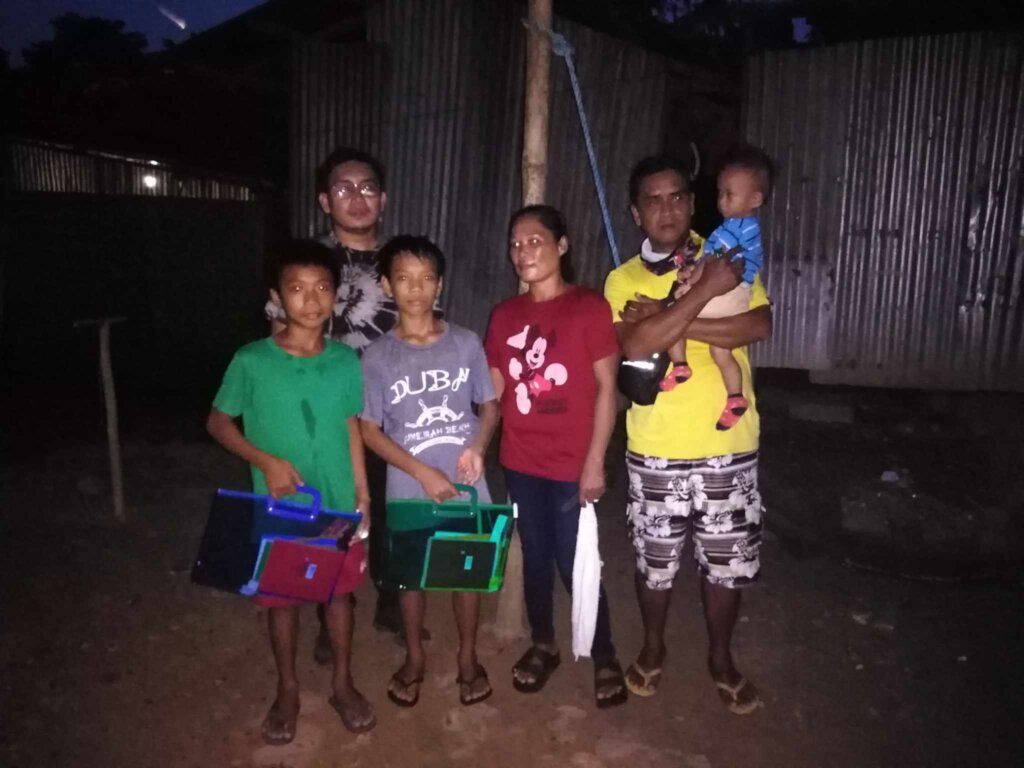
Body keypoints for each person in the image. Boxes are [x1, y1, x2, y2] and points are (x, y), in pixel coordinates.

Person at [604, 156, 773, 715]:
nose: (667, 209)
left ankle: (721, 658)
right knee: (654, 564)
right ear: (636, 212)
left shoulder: (728, 254)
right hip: (656, 447)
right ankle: (653, 648)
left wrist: (669, 315)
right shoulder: (621, 279)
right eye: (652, 200)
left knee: (727, 566)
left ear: (693, 203)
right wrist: (703, 296)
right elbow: (634, 343)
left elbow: (757, 324)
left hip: (728, 445)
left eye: (677, 196)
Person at [207, 240, 376, 743]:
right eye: (297, 289)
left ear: (336, 295)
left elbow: (350, 426)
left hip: (337, 501)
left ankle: (342, 684)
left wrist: (363, 493)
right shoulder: (252, 360)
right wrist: (266, 462)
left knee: (340, 595)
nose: (311, 299)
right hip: (280, 504)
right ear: (276, 297)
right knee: (283, 599)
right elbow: (218, 422)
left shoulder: (344, 360)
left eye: (322, 287)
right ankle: (287, 689)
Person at [266, 147, 413, 658]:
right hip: (327, 418)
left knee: (392, 511)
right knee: (330, 513)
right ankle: (330, 608)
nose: (357, 198)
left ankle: (391, 601)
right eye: (344, 189)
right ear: (325, 200)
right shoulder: (306, 263)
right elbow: (278, 343)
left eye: (367, 188)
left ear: (383, 199)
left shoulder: (405, 261)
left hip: (394, 412)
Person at [485, 205, 628, 709]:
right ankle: (544, 644)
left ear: (561, 246)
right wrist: (470, 439)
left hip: (572, 464)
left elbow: (608, 389)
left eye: (534, 241)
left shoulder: (589, 307)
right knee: (535, 556)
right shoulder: (504, 316)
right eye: (515, 243)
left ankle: (604, 651)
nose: (522, 251)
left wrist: (595, 462)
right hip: (521, 461)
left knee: (576, 558)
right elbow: (495, 390)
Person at [359, 235, 498, 707]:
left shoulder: (465, 343)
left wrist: (478, 446)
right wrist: (421, 472)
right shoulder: (377, 356)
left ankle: (467, 656)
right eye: (403, 278)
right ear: (386, 285)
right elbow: (370, 430)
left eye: (426, 278)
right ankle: (415, 656)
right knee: (410, 577)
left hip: (465, 482)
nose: (415, 288)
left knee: (465, 573)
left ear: (439, 284)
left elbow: (489, 406)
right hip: (408, 484)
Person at [658, 145, 774, 432]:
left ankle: (680, 365)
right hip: (734, 294)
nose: (722, 200)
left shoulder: (737, 228)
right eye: (720, 193)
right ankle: (735, 398)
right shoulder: (741, 227)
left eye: (730, 194)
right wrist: (694, 270)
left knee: (674, 314)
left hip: (728, 292)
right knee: (721, 353)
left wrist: (691, 279)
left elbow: (713, 262)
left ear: (755, 199)